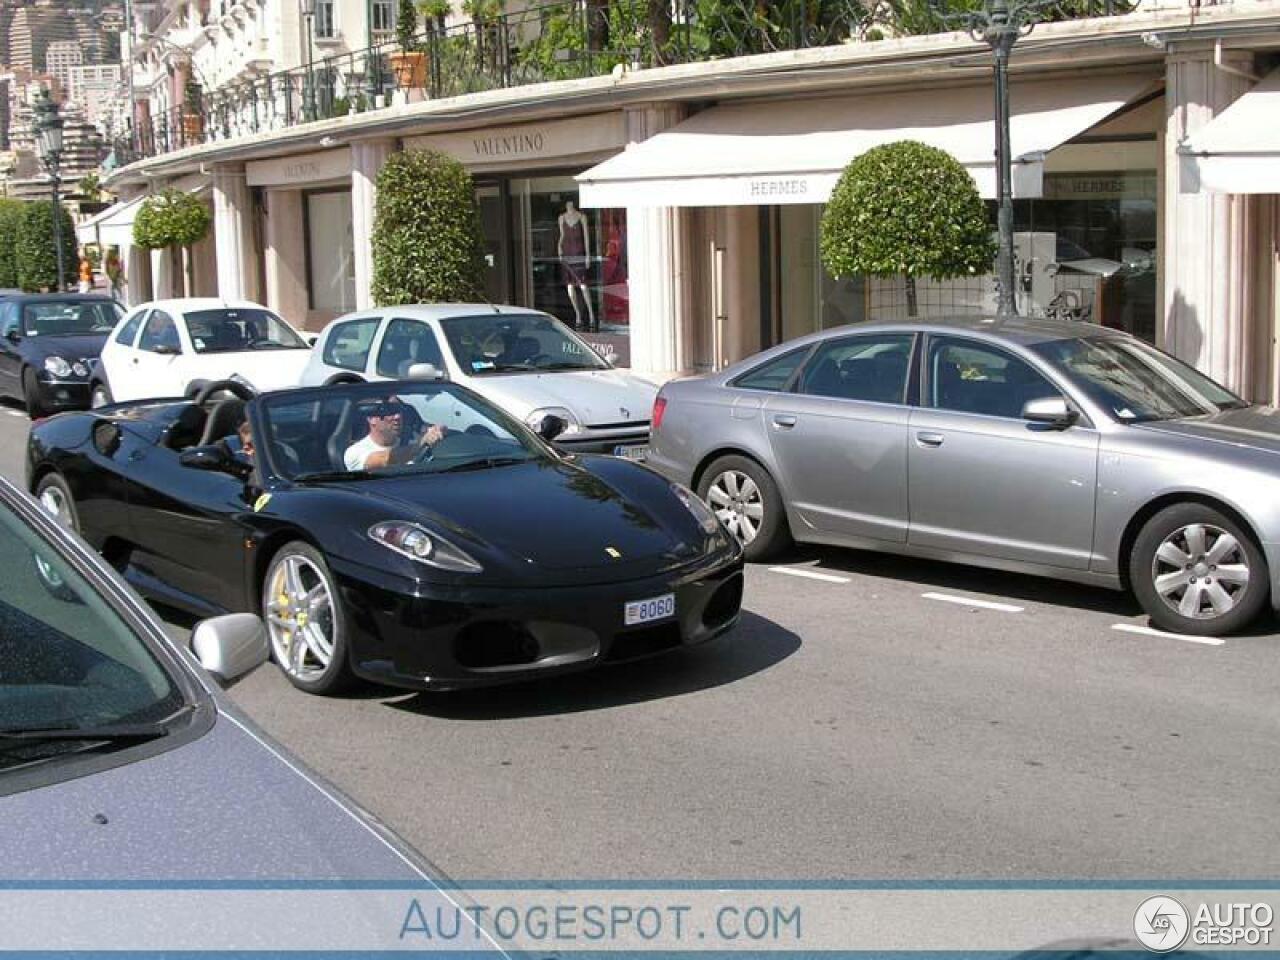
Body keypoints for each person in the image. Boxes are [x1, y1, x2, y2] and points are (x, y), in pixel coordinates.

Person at [344, 399, 445, 471]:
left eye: (399, 410)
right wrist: (420, 445)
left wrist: (438, 432)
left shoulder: (413, 438)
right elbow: (384, 460)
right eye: (389, 411)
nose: (397, 416)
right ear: (371, 419)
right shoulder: (354, 452)